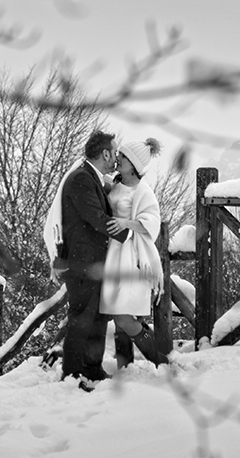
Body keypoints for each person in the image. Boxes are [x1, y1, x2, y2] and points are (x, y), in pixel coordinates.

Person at [52, 130, 118, 387]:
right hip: (82, 264)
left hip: (95, 263)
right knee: (81, 320)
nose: (115, 157)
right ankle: (72, 374)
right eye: (114, 152)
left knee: (98, 318)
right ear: (105, 153)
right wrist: (132, 232)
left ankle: (93, 369)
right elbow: (95, 218)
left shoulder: (92, 177)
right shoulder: (81, 178)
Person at [100, 137, 167, 367]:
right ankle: (125, 366)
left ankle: (160, 360)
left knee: (124, 317)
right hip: (114, 255)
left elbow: (151, 223)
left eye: (123, 156)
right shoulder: (116, 184)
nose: (117, 158)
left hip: (130, 257)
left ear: (134, 164)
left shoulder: (143, 191)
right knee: (119, 315)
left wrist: (126, 224)